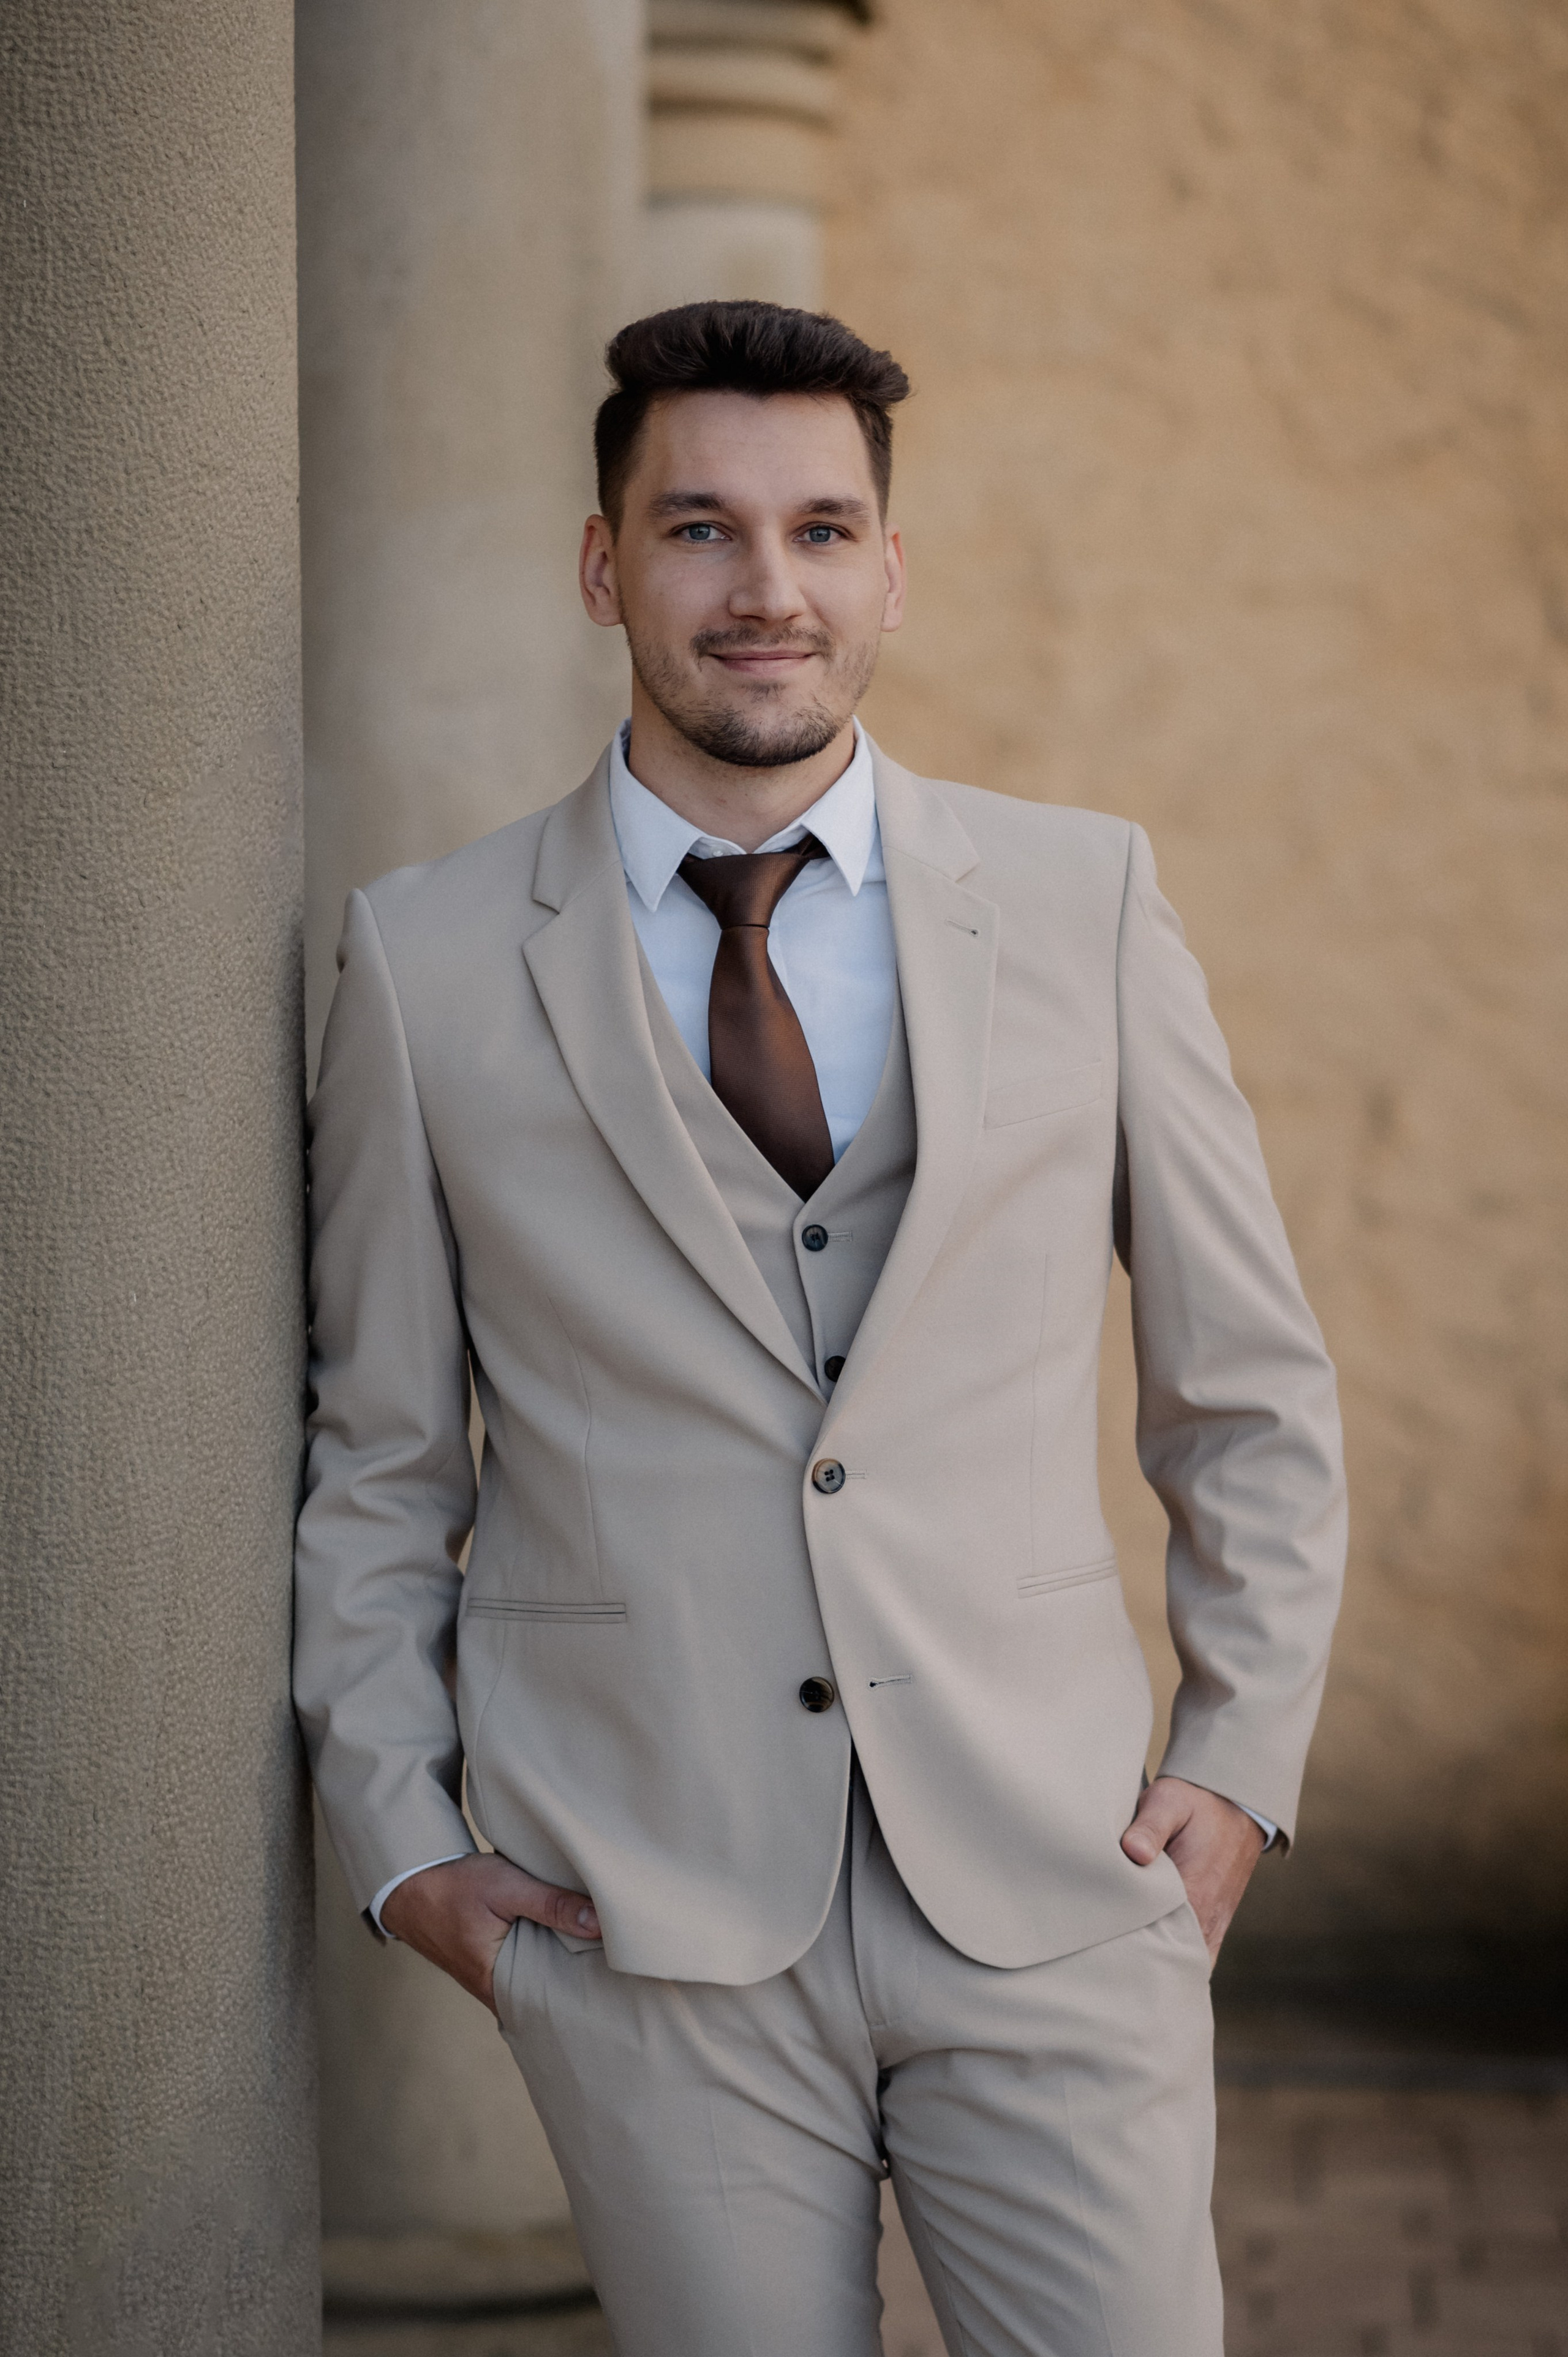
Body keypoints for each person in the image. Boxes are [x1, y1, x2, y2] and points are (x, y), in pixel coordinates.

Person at [294, 299, 1346, 2357]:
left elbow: (1252, 1393)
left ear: (889, 567)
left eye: (821, 529)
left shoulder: (1084, 903)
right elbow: (381, 1458)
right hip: (646, 1912)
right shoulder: (421, 964)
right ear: (605, 565)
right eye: (699, 527)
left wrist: (1238, 1762)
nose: (766, 589)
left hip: (1051, 1882)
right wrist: (407, 1843)